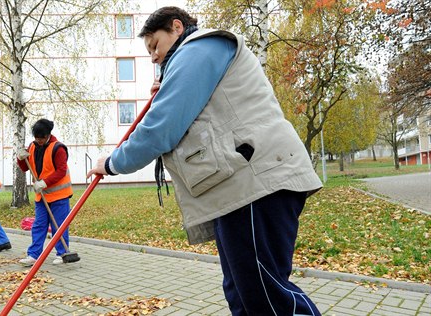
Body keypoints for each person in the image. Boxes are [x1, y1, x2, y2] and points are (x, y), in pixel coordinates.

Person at [87, 6, 323, 316]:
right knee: (241, 294)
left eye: (155, 45)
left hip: (256, 182)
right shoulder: (191, 60)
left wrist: (112, 163)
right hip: (239, 188)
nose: (153, 57)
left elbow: (162, 129)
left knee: (266, 297)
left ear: (176, 27)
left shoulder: (200, 48)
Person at [16, 118, 77, 266]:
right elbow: (25, 168)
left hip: (59, 195)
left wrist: (44, 183)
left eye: (41, 138)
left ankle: (62, 253)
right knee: (39, 225)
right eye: (36, 138)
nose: (39, 141)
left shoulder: (58, 148)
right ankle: (33, 255)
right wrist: (20, 159)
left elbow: (61, 171)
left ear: (48, 135)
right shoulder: (32, 146)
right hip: (41, 196)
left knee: (59, 225)